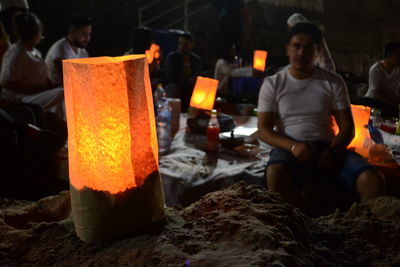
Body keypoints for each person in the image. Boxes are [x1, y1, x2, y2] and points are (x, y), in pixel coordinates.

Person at [257, 22, 385, 206]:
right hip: (289, 147)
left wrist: (332, 151)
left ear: (317, 52)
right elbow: (263, 129)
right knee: (275, 172)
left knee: (373, 179)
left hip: (327, 147)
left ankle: (361, 229)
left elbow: (347, 127)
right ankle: (289, 227)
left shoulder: (332, 82)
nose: (301, 53)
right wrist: (294, 147)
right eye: (297, 46)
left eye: (308, 48)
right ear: (288, 49)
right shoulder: (273, 83)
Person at [0, 12, 65, 120]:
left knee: (62, 92)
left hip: (36, 94)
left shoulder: (35, 52)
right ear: (35, 33)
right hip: (21, 98)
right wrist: (35, 90)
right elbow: (6, 82)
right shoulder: (17, 53)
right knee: (61, 93)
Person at [45, 15, 91, 87]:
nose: (87, 38)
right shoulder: (61, 48)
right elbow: (66, 80)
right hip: (56, 91)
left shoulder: (83, 52)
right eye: (83, 33)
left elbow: (87, 77)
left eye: (89, 34)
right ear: (72, 32)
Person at [164, 31, 201, 111]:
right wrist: (187, 80)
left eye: (185, 45)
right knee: (172, 88)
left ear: (192, 45)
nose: (182, 47)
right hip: (176, 84)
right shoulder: (172, 57)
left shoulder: (195, 60)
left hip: (190, 86)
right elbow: (170, 76)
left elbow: (197, 74)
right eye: (180, 44)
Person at [363, 42, 400, 117]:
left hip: (391, 102)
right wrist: (395, 105)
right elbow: (376, 93)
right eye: (398, 56)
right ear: (389, 56)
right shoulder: (375, 69)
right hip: (374, 101)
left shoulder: (398, 69)